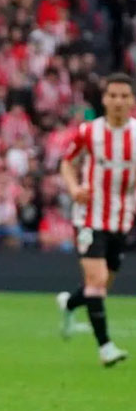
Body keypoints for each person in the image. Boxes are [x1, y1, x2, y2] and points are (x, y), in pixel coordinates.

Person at [56, 73, 134, 367]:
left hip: (121, 219)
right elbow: (67, 162)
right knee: (97, 281)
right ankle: (106, 348)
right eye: (113, 95)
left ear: (131, 100)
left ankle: (69, 303)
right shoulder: (89, 132)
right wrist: (74, 188)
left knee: (101, 286)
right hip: (89, 217)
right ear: (104, 99)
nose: (118, 101)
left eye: (124, 96)